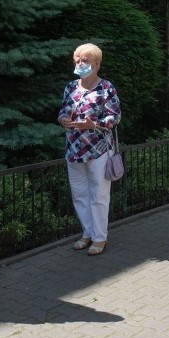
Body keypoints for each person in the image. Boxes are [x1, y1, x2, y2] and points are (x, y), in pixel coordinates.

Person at [58, 43, 121, 255]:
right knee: (79, 195)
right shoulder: (71, 87)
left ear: (96, 64)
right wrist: (63, 120)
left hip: (98, 149)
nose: (80, 64)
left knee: (99, 195)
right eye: (77, 61)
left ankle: (100, 238)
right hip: (73, 149)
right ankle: (87, 233)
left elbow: (115, 116)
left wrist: (93, 124)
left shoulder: (106, 88)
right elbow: (63, 110)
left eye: (85, 61)